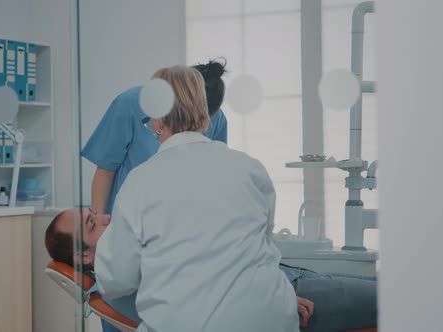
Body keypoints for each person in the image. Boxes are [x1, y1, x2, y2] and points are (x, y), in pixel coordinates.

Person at [91, 65, 299, 331]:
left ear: (156, 120)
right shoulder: (251, 168)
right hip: (273, 318)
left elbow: (116, 279)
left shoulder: (141, 181)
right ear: (207, 114)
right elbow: (261, 240)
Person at [82, 59, 228, 332]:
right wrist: (99, 235)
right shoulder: (130, 104)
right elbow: (106, 170)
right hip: (129, 235)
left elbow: (211, 182)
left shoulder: (217, 119)